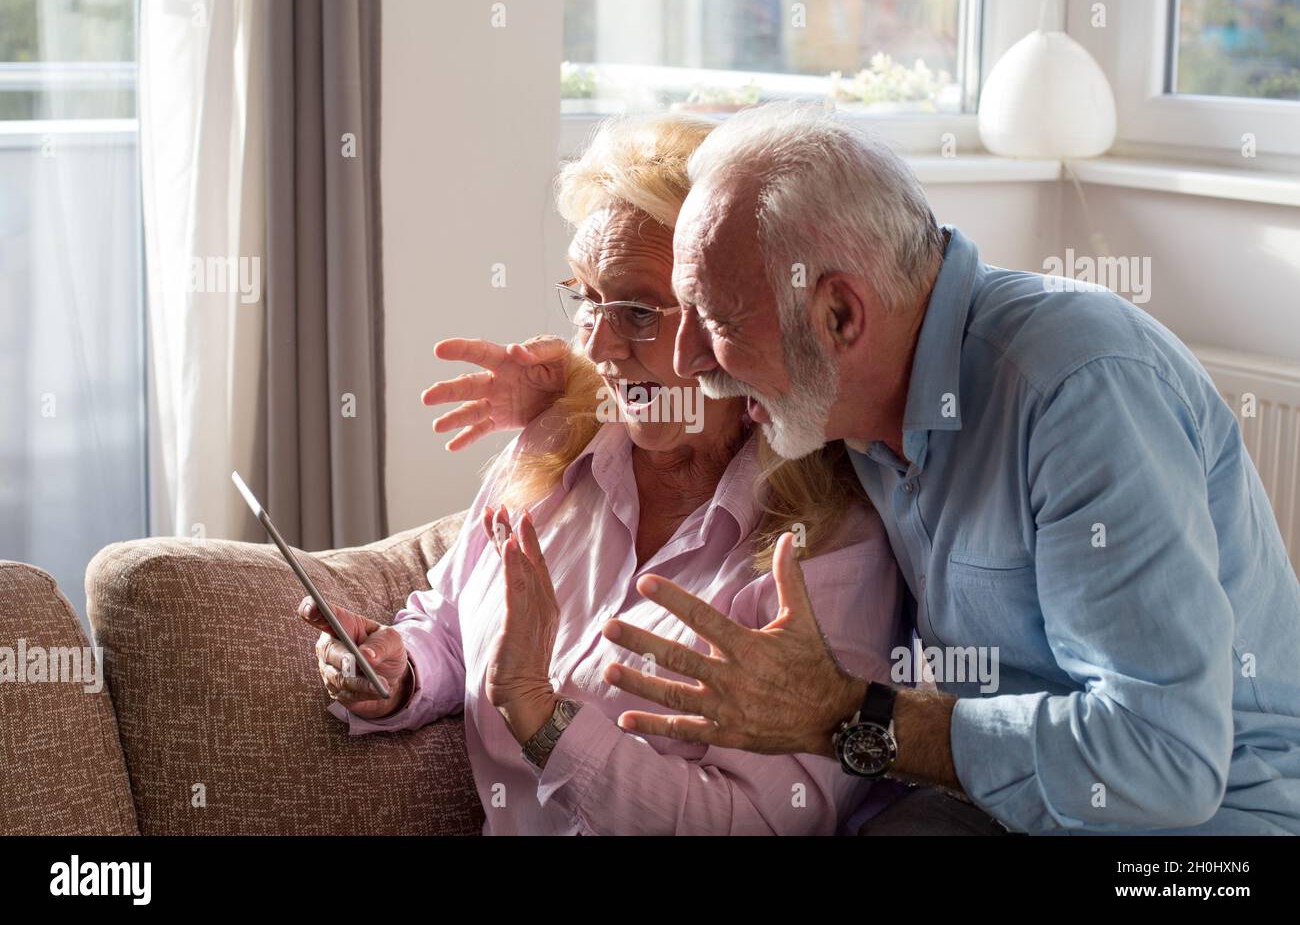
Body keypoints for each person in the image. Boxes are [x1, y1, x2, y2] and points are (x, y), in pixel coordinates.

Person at [440, 102, 1300, 835]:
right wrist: (578, 385)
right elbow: (674, 390)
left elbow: (1166, 766)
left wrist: (855, 716)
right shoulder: (848, 384)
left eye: (714, 321)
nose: (693, 357)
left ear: (840, 313)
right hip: (986, 805)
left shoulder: (1077, 392)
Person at [299, 112, 904, 835]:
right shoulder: (556, 445)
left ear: (729, 314)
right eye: (586, 296)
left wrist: (543, 717)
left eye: (639, 310)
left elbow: (761, 820)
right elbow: (456, 618)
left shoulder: (827, 545)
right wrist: (401, 669)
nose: (595, 343)